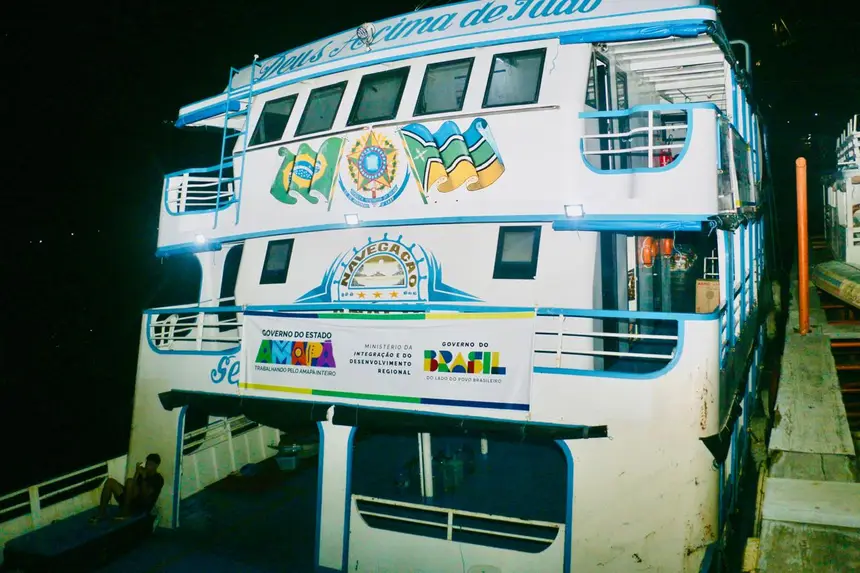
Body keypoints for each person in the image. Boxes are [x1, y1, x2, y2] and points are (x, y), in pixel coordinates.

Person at [90, 453, 164, 523]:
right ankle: (102, 513)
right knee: (110, 482)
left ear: (156, 466)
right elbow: (133, 484)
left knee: (129, 481)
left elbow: (145, 495)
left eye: (150, 464)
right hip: (131, 500)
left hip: (141, 505)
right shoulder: (143, 471)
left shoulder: (158, 479)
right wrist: (137, 472)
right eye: (147, 463)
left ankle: (125, 512)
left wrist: (144, 477)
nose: (148, 466)